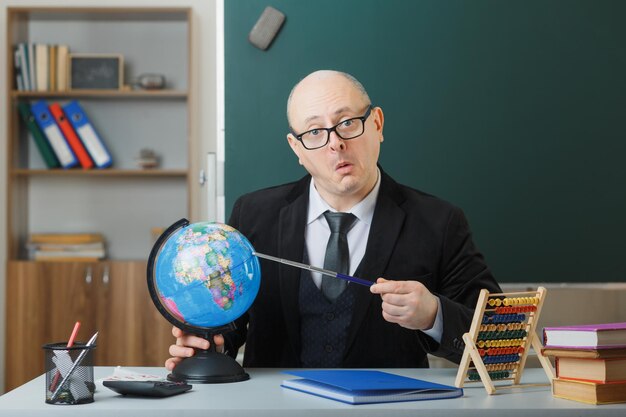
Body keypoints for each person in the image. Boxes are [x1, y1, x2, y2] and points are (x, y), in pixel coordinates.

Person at [166, 69, 501, 371]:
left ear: (377, 124)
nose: (336, 144)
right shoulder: (253, 214)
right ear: (296, 148)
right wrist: (209, 346)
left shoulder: (438, 221)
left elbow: (499, 341)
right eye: (314, 132)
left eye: (347, 123)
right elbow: (229, 324)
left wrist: (434, 315)